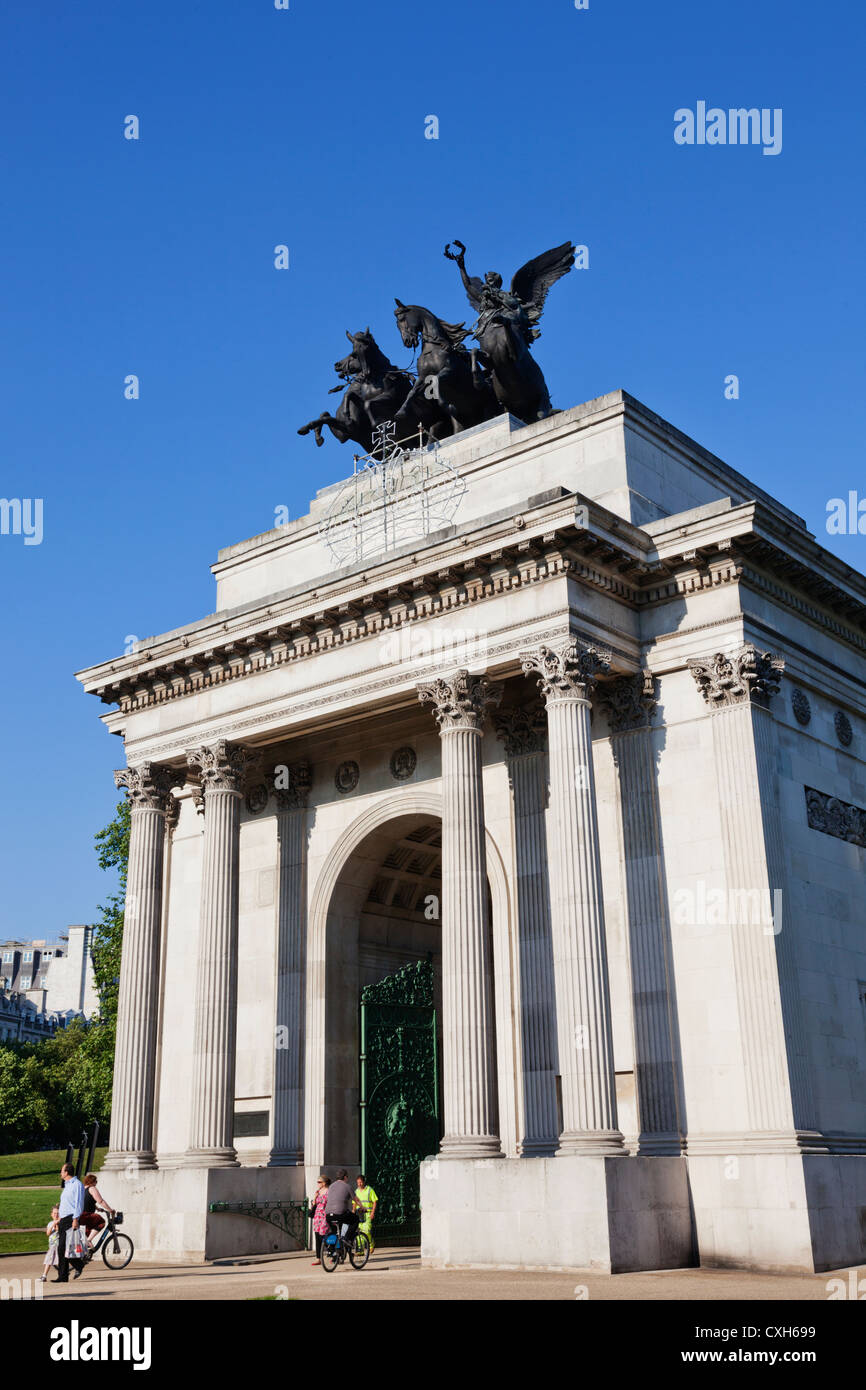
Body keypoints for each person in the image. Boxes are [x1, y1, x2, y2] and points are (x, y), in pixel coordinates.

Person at [55, 1162, 85, 1283]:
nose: (60, 1173)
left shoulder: (77, 1184)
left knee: (63, 1247)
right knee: (61, 1248)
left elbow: (78, 1203)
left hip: (71, 1218)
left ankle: (67, 1273)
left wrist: (75, 1219)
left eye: (62, 1171)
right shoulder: (67, 1185)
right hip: (63, 1219)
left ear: (67, 1172)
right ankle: (71, 1270)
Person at [80, 1173, 115, 1250]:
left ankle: (87, 1250)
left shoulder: (83, 1189)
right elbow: (101, 1201)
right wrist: (110, 1210)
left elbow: (87, 1201)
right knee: (101, 1222)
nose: (96, 1183)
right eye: (96, 1181)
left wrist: (98, 1209)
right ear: (92, 1182)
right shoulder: (92, 1188)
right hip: (86, 1215)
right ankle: (88, 1241)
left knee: (87, 1232)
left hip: (80, 1215)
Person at [324, 1168, 359, 1245]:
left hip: (328, 1215)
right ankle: (347, 1238)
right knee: (355, 1220)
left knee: (335, 1233)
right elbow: (356, 1200)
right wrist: (363, 1208)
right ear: (345, 1177)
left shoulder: (331, 1186)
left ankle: (334, 1252)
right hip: (340, 1214)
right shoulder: (347, 1186)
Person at [309, 1175, 331, 1265]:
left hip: (324, 1216)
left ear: (324, 1183)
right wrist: (315, 1197)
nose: (317, 1184)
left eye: (319, 1182)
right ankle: (318, 1258)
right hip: (317, 1216)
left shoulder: (329, 1192)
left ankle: (332, 1251)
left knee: (323, 1235)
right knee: (317, 1236)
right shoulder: (318, 1192)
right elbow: (314, 1204)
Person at [354, 1174, 378, 1254]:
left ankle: (371, 1244)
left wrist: (372, 1213)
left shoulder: (369, 1190)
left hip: (367, 1213)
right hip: (359, 1214)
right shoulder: (356, 1191)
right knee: (358, 1231)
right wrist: (353, 1211)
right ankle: (360, 1250)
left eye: (360, 1182)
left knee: (366, 1230)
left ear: (364, 1182)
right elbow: (354, 1203)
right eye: (358, 1182)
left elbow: (375, 1201)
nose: (359, 1184)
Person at [40, 1206, 60, 1282]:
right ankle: (44, 1276)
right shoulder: (50, 1223)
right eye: (54, 1213)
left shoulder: (61, 1223)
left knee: (49, 1260)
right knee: (51, 1260)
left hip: (57, 1245)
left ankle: (44, 1276)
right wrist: (53, 1225)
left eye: (58, 1213)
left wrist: (57, 1223)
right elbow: (48, 1233)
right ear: (51, 1214)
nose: (56, 1215)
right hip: (52, 1246)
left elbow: (59, 1230)